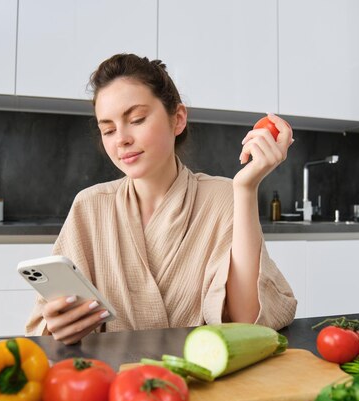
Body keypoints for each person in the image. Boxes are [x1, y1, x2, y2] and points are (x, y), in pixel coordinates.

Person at [26, 53, 297, 345]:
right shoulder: (89, 206)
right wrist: (59, 326)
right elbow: (48, 326)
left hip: (204, 378)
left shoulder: (224, 196)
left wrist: (246, 189)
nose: (121, 139)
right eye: (108, 129)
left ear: (178, 119)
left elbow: (248, 321)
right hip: (113, 382)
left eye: (137, 119)